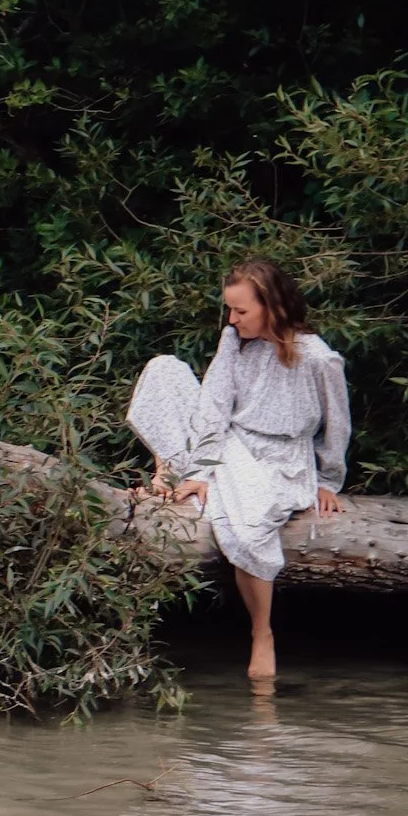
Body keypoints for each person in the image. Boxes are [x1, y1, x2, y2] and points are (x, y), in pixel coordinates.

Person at [125, 259, 349, 683]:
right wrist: (202, 471)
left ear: (272, 306)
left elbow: (338, 424)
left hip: (280, 460)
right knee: (164, 370)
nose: (232, 319)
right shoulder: (235, 342)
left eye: (241, 310)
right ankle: (173, 475)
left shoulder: (318, 359)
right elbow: (213, 406)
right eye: (230, 309)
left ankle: (261, 632)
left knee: (250, 527)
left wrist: (327, 481)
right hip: (228, 441)